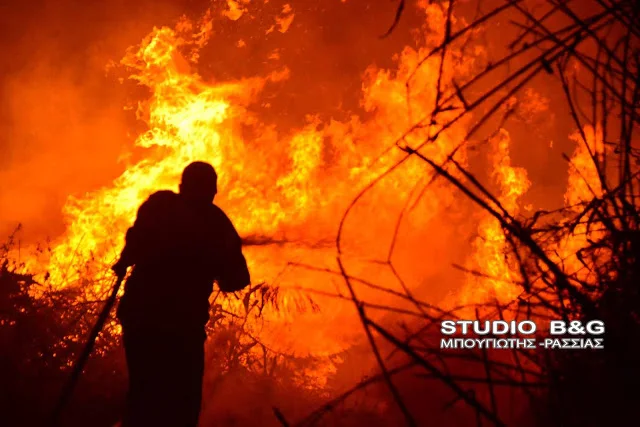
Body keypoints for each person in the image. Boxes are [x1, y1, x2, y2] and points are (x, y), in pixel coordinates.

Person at [111, 161, 250, 427]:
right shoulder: (216, 223)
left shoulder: (159, 206)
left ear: (182, 186)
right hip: (181, 330)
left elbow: (133, 247)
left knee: (143, 396)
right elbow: (236, 281)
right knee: (183, 404)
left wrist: (124, 260)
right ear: (213, 190)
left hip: (142, 322)